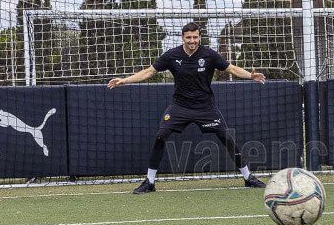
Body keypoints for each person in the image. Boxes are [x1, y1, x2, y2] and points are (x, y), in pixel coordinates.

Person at [108, 21, 268, 192]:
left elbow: (231, 69)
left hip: (205, 107)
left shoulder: (209, 55)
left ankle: (248, 177)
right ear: (183, 38)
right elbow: (149, 72)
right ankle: (150, 182)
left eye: (195, 37)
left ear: (200, 37)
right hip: (180, 107)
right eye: (189, 38)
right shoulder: (172, 55)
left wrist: (251, 76)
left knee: (227, 138)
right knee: (161, 135)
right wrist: (124, 80)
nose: (192, 41)